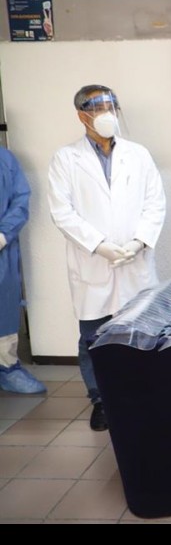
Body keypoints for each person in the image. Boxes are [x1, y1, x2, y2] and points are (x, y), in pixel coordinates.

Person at [48, 85, 166, 431]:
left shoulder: (138, 154)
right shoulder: (65, 159)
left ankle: (144, 394)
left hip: (135, 261)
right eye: (97, 107)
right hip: (92, 263)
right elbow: (62, 212)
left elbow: (155, 202)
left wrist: (139, 242)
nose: (107, 113)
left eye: (111, 106)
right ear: (82, 115)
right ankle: (101, 400)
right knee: (93, 337)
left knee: (142, 331)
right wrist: (99, 245)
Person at [0, 148, 46, 394]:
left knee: (3, 308)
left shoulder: (4, 160)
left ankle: (7, 368)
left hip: (1, 250)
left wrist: (3, 234)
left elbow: (20, 198)